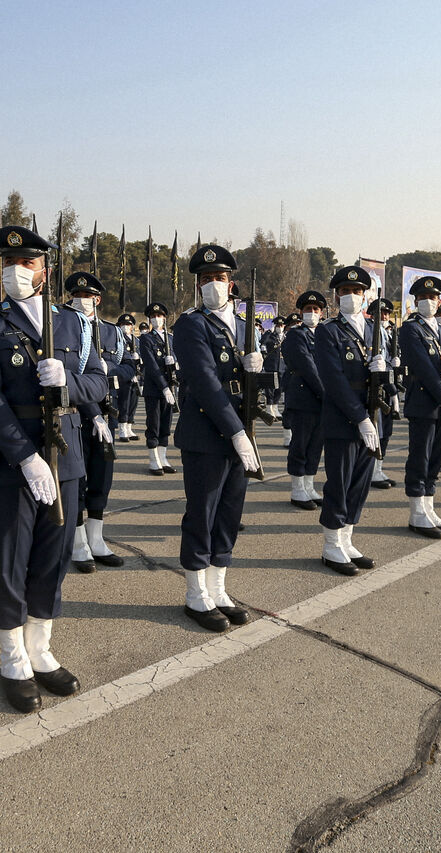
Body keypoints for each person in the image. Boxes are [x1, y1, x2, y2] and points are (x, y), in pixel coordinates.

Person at [0, 225, 107, 713]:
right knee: (11, 557)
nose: (14, 272)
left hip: (64, 453)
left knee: (53, 554)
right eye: (7, 262)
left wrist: (69, 384)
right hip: (11, 458)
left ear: (45, 270)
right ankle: (12, 657)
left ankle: (40, 648)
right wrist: (25, 456)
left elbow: (100, 384)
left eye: (25, 263)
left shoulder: (71, 323)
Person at [172, 244, 260, 632]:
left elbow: (250, 382)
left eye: (219, 279)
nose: (212, 285)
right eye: (205, 280)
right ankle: (195, 593)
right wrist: (237, 431)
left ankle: (219, 587)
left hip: (240, 429)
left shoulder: (244, 325)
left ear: (232, 283)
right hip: (207, 433)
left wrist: (258, 369)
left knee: (229, 511)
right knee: (202, 513)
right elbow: (206, 384)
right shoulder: (192, 324)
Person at [313, 267, 384, 574]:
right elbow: (334, 380)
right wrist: (360, 419)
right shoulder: (329, 331)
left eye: (356, 291)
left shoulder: (374, 330)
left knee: (360, 482)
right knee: (339, 483)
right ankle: (331, 545)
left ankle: (347, 538)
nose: (350, 296)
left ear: (365, 295)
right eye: (344, 292)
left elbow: (380, 378)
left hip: (371, 414)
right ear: (336, 296)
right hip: (344, 419)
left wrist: (387, 374)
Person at [66, 273, 125, 573]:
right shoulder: (64, 327)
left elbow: (128, 365)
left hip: (107, 415)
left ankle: (96, 538)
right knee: (77, 479)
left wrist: (109, 367)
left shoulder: (113, 332)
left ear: (97, 300)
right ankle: (78, 544)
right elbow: (71, 377)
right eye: (76, 293)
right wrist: (93, 413)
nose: (80, 299)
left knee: (102, 476)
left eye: (87, 295)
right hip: (77, 414)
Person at [400, 276, 441, 537]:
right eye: (423, 298)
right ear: (415, 301)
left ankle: (429, 506)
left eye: (432, 298)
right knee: (420, 458)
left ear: (439, 301)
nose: (428, 302)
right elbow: (424, 369)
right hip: (425, 401)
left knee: (436, 458)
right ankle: (416, 513)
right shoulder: (411, 329)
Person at [283, 290, 327, 510]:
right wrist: (327, 394)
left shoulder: (324, 334)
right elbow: (308, 368)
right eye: (308, 310)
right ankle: (297, 488)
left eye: (316, 310)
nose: (312, 313)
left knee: (315, 444)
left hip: (321, 400)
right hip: (303, 398)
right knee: (300, 443)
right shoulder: (296, 335)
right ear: (301, 312)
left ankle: (309, 485)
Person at [139, 301, 178, 475]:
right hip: (155, 389)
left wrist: (175, 364)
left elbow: (179, 360)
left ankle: (163, 458)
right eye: (153, 317)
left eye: (159, 316)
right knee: (153, 424)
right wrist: (163, 387)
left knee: (166, 425)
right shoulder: (146, 339)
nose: (156, 319)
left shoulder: (170, 339)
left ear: (165, 318)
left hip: (170, 388)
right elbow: (152, 366)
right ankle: (154, 460)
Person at [368, 298, 399, 489]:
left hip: (388, 385)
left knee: (385, 431)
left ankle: (378, 467)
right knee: (377, 431)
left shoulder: (387, 333)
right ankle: (372, 470)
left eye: (387, 313)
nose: (385, 316)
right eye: (381, 313)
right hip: (379, 386)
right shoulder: (372, 331)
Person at [114, 312, 142, 441]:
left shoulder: (136, 340)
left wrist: (139, 360)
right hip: (123, 375)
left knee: (133, 402)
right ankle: (122, 428)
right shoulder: (117, 339)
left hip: (136, 376)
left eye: (128, 324)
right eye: (123, 324)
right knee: (124, 402)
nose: (126, 327)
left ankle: (129, 426)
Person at [261, 315, 286, 419]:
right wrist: (269, 332)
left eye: (281, 325)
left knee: (279, 388)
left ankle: (275, 407)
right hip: (271, 365)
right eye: (278, 325)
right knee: (270, 387)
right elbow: (263, 343)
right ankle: (269, 407)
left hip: (282, 366)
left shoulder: (286, 337)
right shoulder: (270, 335)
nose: (280, 327)